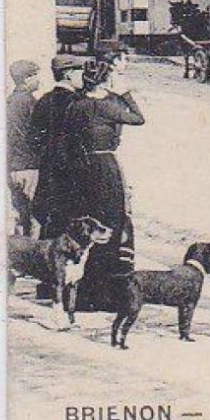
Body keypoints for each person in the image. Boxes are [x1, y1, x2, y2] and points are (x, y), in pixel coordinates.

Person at [57, 57, 144, 287]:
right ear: (105, 81)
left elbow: (66, 140)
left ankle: (86, 283)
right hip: (105, 167)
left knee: (89, 220)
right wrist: (125, 94)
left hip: (82, 167)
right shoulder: (106, 106)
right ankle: (108, 282)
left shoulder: (75, 105)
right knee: (111, 220)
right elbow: (138, 118)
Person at [28, 54, 85, 240]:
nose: (83, 76)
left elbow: (33, 138)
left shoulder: (44, 100)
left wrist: (48, 153)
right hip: (72, 170)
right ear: (68, 74)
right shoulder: (77, 102)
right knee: (70, 219)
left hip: (49, 168)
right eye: (80, 71)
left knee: (49, 217)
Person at [6, 59, 41, 236]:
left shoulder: (10, 101)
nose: (39, 80)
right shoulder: (30, 102)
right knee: (32, 217)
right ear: (27, 78)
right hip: (30, 165)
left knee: (19, 213)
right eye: (36, 76)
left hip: (13, 166)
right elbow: (39, 135)